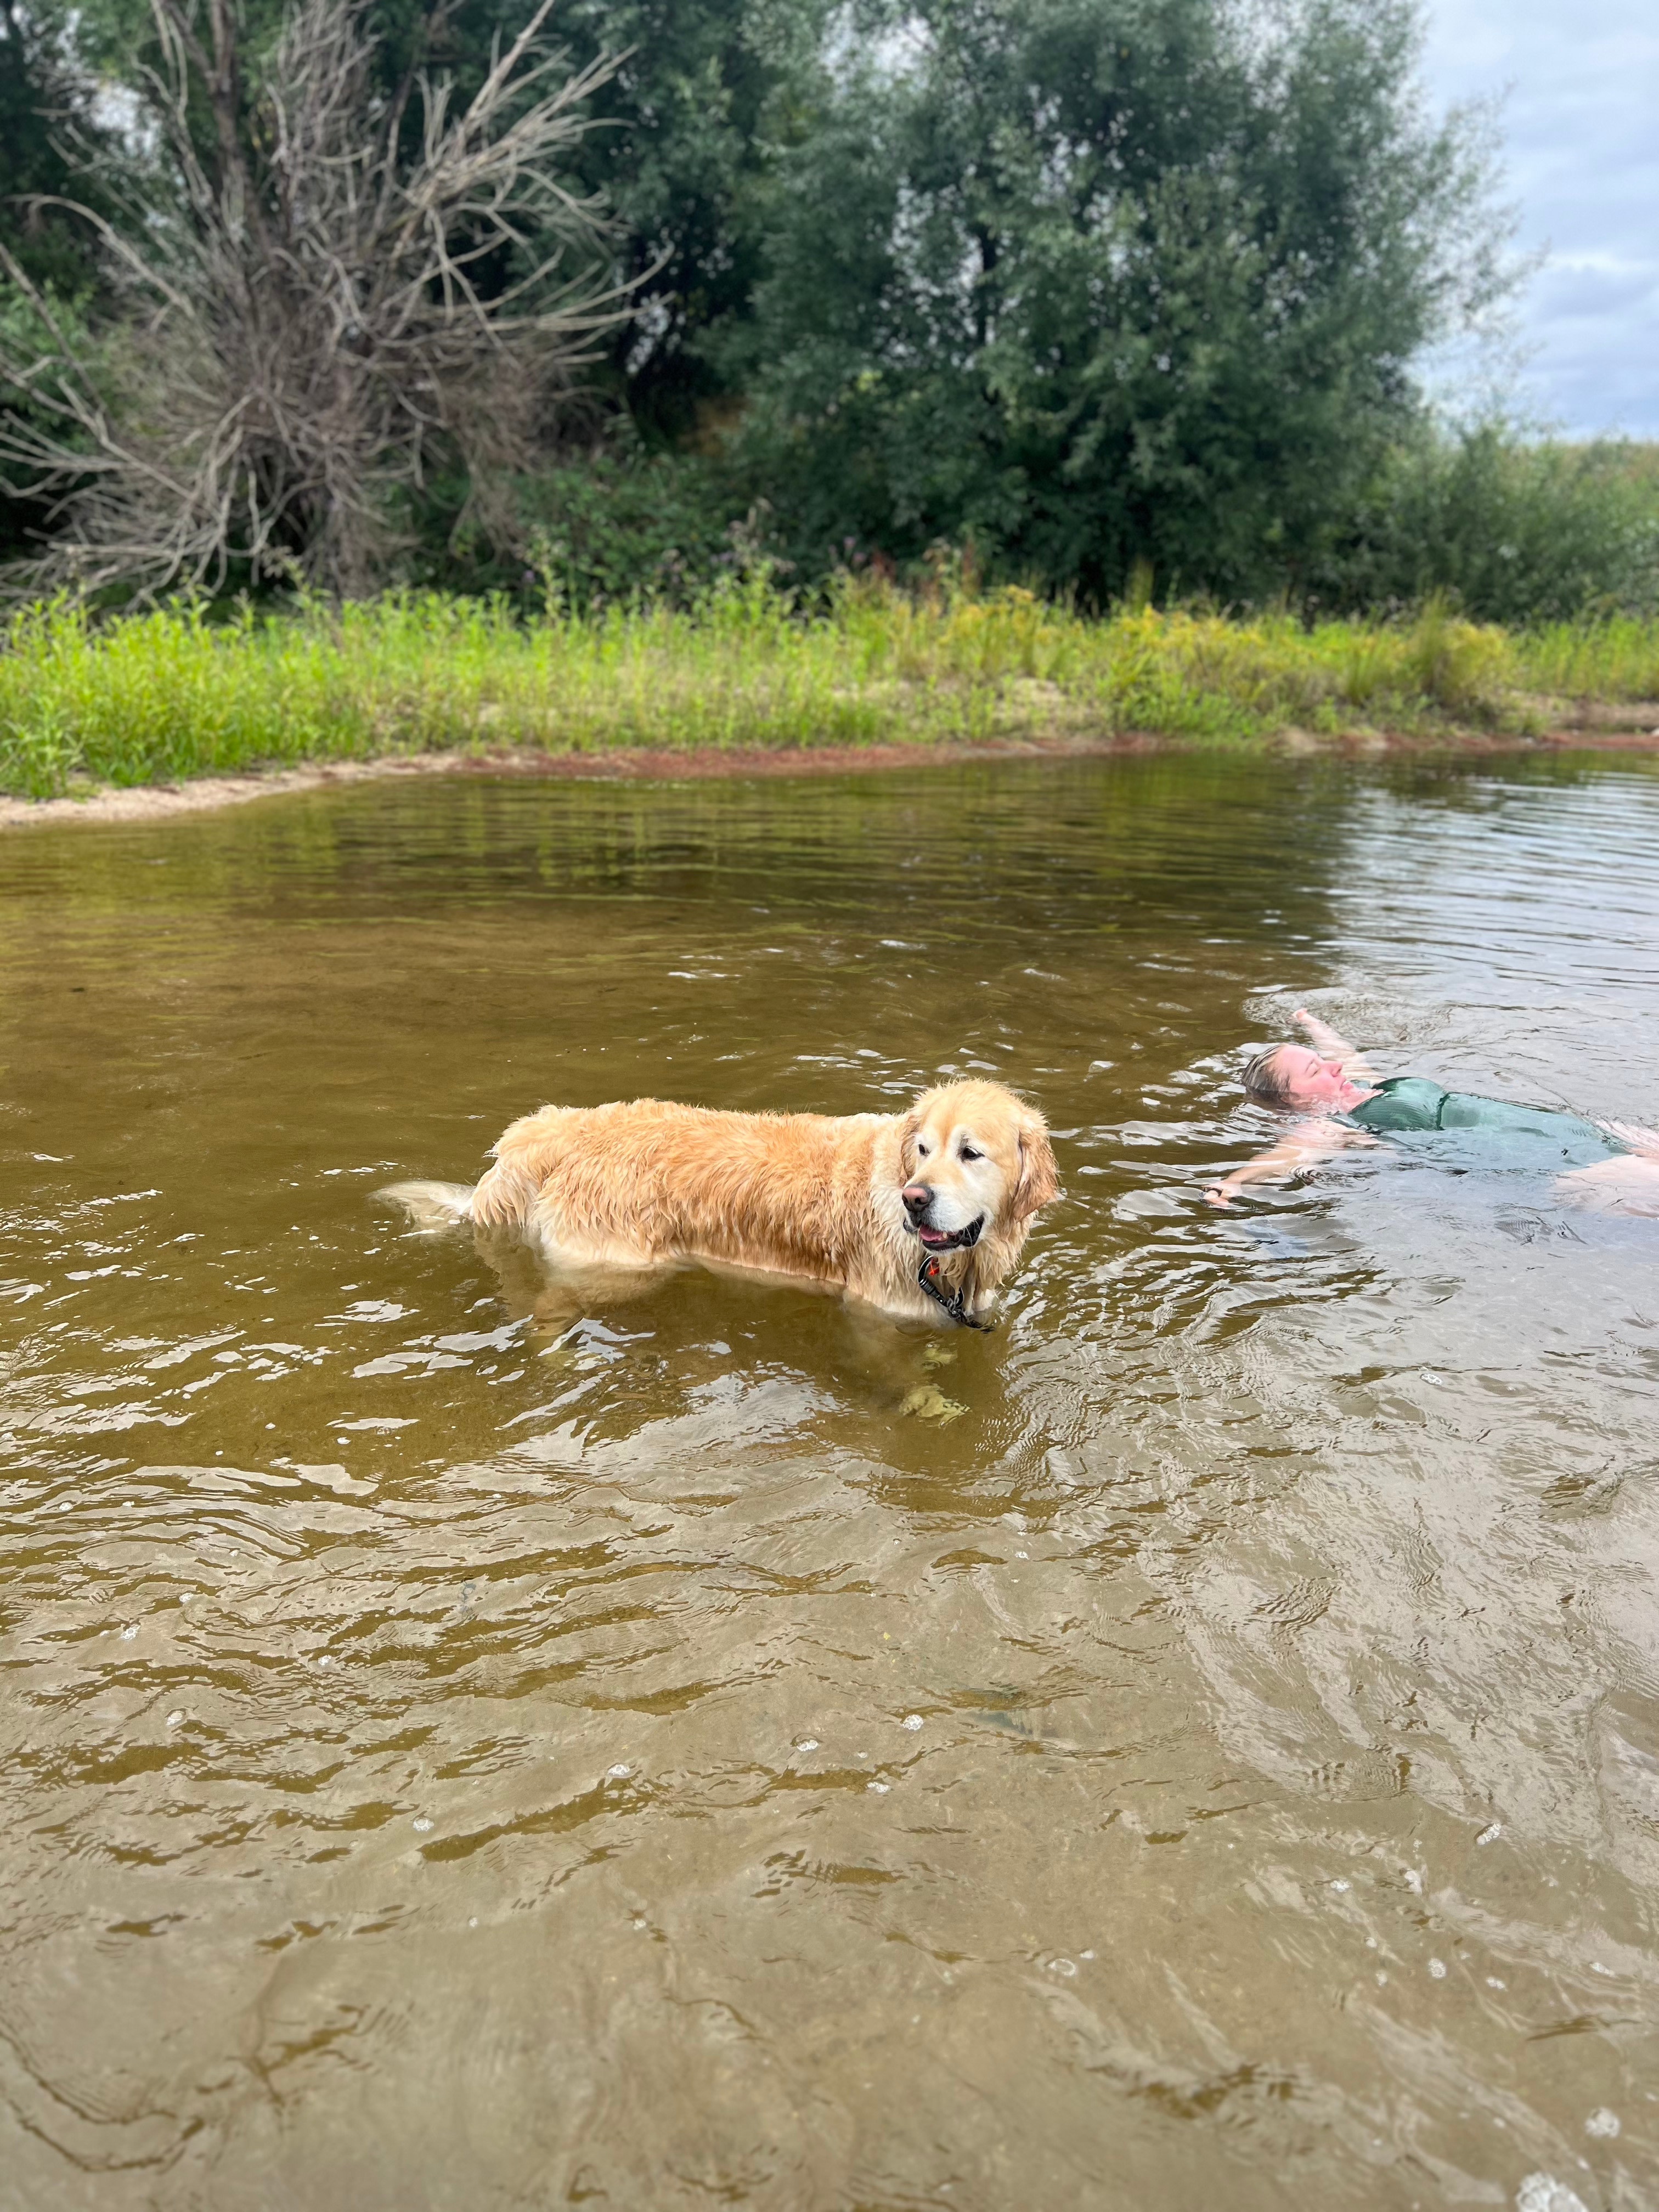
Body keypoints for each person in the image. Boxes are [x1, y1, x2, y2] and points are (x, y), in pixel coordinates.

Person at [1205, 1008, 1659, 1212]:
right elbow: (1289, 1155)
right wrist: (1233, 1182)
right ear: (1293, 1099)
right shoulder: (1331, 1125)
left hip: (1578, 1130)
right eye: (1313, 1069)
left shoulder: (1367, 1086)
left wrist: (1311, 1024)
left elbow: (1346, 1053)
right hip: (1554, 1162)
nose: (1333, 1065)